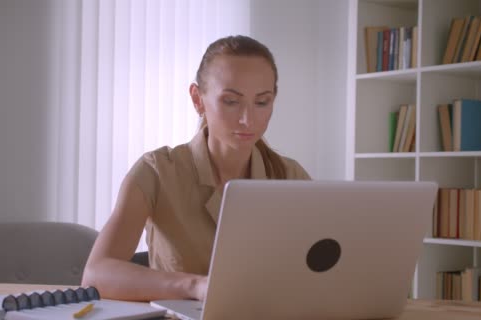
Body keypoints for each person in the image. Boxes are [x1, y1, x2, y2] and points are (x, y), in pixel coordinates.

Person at [81, 35, 311, 302]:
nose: (248, 118)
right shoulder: (156, 172)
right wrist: (195, 286)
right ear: (197, 99)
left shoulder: (291, 177)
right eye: (231, 101)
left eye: (261, 102)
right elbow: (96, 274)